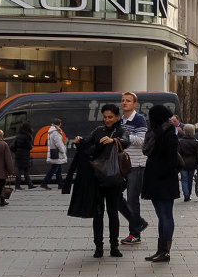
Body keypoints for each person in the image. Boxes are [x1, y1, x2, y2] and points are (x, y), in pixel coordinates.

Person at [69, 104, 128, 258]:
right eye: (105, 117)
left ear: (116, 117)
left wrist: (113, 140)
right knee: (98, 213)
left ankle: (114, 246)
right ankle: (99, 247)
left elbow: (125, 140)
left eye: (110, 117)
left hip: (114, 178)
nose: (107, 120)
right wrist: (79, 141)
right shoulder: (98, 130)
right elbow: (88, 144)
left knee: (113, 213)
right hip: (97, 178)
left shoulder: (121, 129)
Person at [141, 103, 179, 263]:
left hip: (164, 181)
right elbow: (147, 150)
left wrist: (160, 174)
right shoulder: (155, 134)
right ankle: (160, 249)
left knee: (165, 216)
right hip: (155, 181)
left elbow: (171, 161)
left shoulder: (169, 134)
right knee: (161, 216)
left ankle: (165, 251)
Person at [117, 92, 149, 246]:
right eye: (123, 100)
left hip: (136, 164)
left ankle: (134, 234)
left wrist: (124, 136)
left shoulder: (139, 119)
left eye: (128, 101)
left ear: (134, 104)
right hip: (122, 164)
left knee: (132, 200)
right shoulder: (121, 120)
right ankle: (139, 223)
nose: (124, 103)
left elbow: (142, 141)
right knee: (115, 196)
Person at [38, 118, 67, 190]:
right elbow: (58, 143)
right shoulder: (55, 132)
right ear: (59, 124)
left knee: (58, 169)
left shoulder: (51, 131)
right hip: (57, 153)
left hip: (55, 152)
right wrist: (63, 150)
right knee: (54, 169)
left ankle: (60, 184)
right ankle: (44, 183)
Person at [177, 125, 198, 201]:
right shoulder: (195, 142)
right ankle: (189, 194)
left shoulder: (180, 141)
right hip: (192, 163)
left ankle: (186, 195)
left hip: (183, 162)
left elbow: (178, 153)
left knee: (184, 179)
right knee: (190, 179)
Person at [10, 123, 33, 189]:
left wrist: (17, 151)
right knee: (26, 170)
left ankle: (18, 185)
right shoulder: (27, 136)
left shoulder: (18, 136)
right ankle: (29, 185)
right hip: (25, 155)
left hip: (19, 155)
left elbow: (12, 147)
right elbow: (29, 146)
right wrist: (30, 146)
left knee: (20, 171)